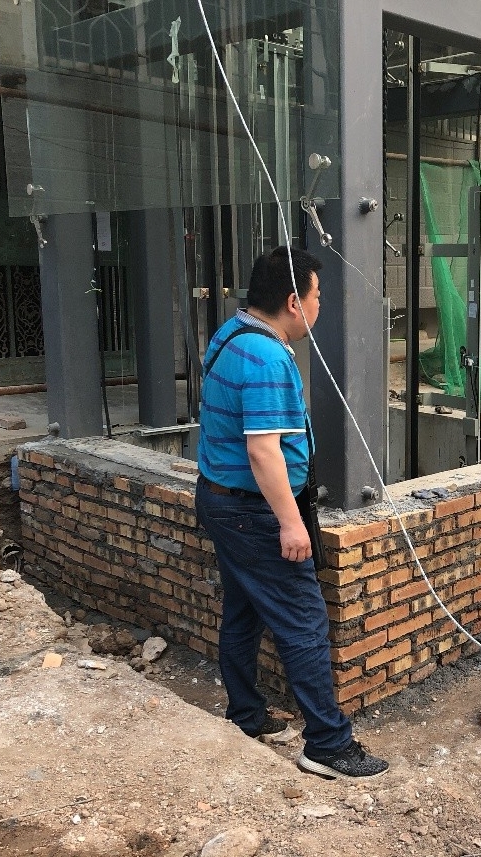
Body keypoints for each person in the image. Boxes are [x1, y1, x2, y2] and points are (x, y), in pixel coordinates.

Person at [194, 245, 388, 779]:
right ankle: (327, 744)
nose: (320, 304)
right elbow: (263, 451)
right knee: (304, 621)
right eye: (317, 295)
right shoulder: (266, 357)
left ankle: (246, 716)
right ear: (293, 301)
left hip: (222, 500)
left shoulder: (231, 333)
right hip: (253, 511)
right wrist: (290, 522)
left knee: (243, 612)